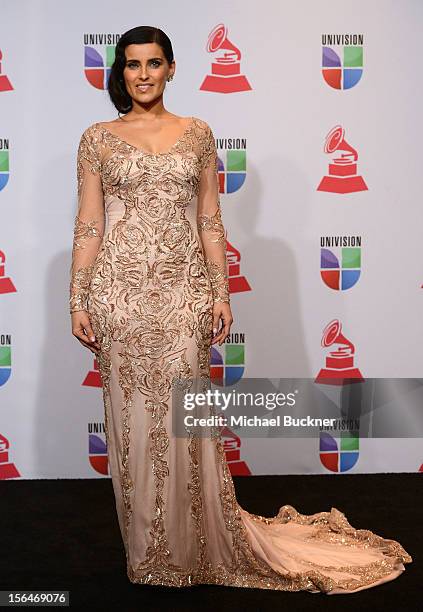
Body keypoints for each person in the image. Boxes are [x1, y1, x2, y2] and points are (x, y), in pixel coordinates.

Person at [69, 26, 412, 594]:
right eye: (133, 65)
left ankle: (195, 544)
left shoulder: (198, 133)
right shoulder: (97, 138)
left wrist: (221, 291)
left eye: (154, 63)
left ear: (173, 68)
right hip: (120, 299)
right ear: (120, 72)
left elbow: (209, 220)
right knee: (131, 426)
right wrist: (77, 299)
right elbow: (88, 224)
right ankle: (150, 553)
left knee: (186, 421)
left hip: (184, 297)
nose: (144, 74)